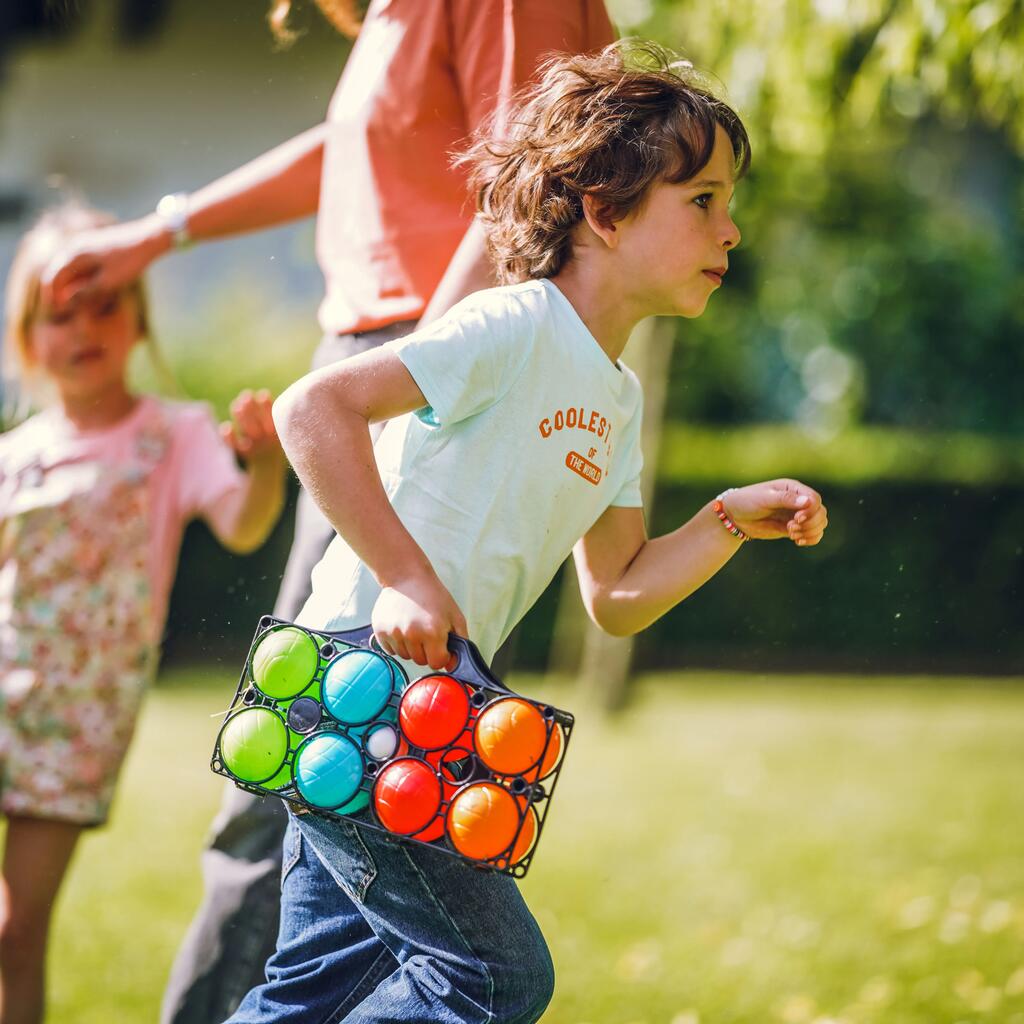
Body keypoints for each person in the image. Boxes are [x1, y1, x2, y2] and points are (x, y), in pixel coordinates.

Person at [40, 3, 617, 1019]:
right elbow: (354, 153)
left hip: (413, 371)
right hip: (376, 367)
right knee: (314, 778)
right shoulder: (399, 14)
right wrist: (163, 230)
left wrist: (414, 389)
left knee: (322, 768)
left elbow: (534, 179)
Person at [239, 41, 831, 1024]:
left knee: (306, 999)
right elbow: (313, 411)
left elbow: (620, 590)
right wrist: (406, 577)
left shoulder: (616, 396)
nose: (731, 230)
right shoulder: (512, 326)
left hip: (425, 704)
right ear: (605, 210)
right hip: (357, 680)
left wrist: (727, 520)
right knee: (494, 978)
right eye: (702, 201)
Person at [0, 201, 285, 1024]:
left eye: (105, 304)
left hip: (75, 723)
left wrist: (261, 465)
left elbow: (244, 523)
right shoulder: (16, 457)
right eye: (61, 315)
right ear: (29, 339)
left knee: (17, 932)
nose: (84, 328)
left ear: (137, 320)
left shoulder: (175, 435)